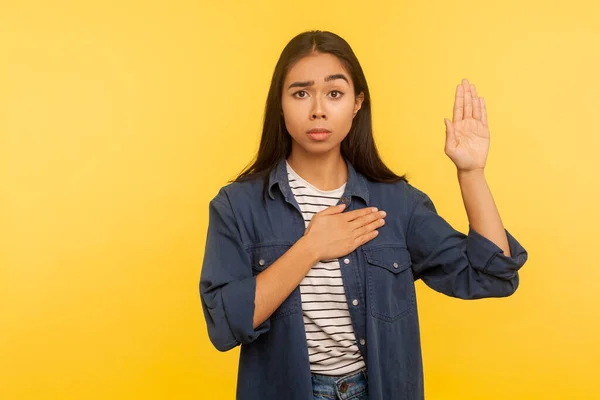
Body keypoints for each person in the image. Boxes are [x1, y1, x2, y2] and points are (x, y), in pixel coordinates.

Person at [199, 30, 528, 400]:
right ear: (280, 103)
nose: (318, 109)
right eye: (301, 93)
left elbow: (492, 274)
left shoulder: (397, 203)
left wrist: (471, 174)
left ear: (357, 103)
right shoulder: (237, 205)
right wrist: (310, 248)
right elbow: (225, 325)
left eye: (335, 93)